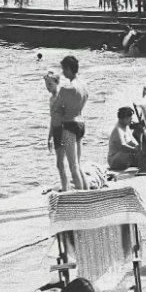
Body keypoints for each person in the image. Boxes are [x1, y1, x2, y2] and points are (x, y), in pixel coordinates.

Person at [51, 56, 88, 191]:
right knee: (78, 164)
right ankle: (87, 193)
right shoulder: (83, 85)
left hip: (69, 125)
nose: (62, 72)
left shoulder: (66, 89)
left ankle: (80, 197)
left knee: (73, 166)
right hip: (81, 124)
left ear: (68, 69)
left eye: (63, 69)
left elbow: (55, 108)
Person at [107, 107, 140, 171]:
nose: (131, 120)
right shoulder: (118, 129)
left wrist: (137, 146)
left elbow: (130, 141)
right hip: (114, 159)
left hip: (120, 156)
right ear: (123, 118)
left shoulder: (125, 127)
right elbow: (123, 146)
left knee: (138, 155)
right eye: (129, 118)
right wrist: (135, 150)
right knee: (127, 154)